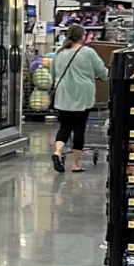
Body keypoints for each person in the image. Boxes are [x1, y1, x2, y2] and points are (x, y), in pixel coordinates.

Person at [48, 23, 108, 173]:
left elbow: (53, 74)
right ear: (82, 36)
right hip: (82, 95)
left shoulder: (59, 53)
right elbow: (102, 71)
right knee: (79, 129)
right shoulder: (88, 52)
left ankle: (57, 152)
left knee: (64, 128)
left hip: (63, 95)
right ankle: (75, 164)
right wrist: (103, 77)